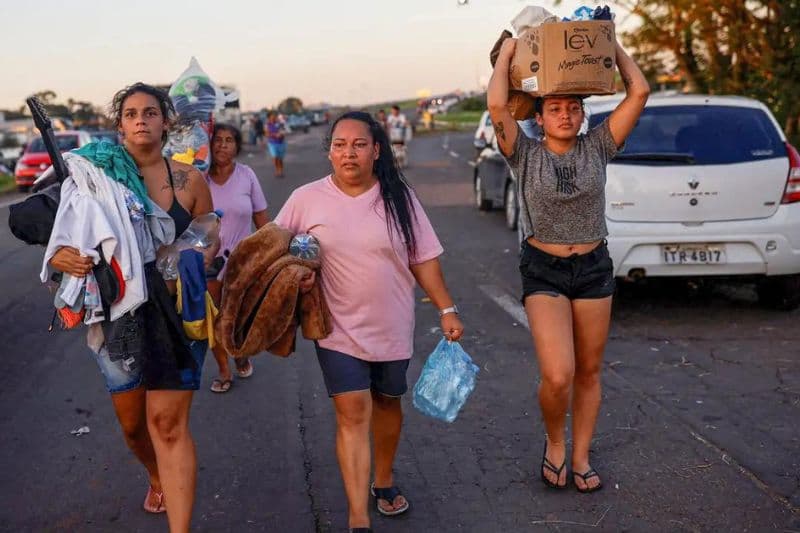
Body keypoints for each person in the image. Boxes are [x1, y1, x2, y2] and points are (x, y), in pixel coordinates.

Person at [274, 111, 463, 533]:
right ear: (330, 152)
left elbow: (424, 259)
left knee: (387, 401)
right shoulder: (307, 199)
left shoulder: (400, 198)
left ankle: (384, 479)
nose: (349, 153)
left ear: (377, 150)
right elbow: (273, 249)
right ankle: (358, 516)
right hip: (336, 328)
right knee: (353, 412)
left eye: (359, 144)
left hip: (393, 325)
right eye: (340, 144)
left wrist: (446, 308)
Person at [48, 82, 214, 531]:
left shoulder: (190, 179)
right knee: (135, 428)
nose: (141, 119)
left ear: (166, 121)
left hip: (178, 313)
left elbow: (208, 230)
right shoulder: (93, 178)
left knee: (167, 423)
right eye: (131, 113)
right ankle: (155, 472)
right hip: (120, 314)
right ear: (120, 125)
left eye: (151, 112)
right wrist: (61, 254)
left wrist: (199, 260)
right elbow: (55, 228)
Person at [487, 38, 649, 493]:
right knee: (559, 373)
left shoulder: (598, 146)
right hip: (544, 269)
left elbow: (639, 92)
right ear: (538, 118)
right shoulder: (524, 153)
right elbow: (498, 102)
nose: (564, 115)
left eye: (572, 108)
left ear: (583, 115)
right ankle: (555, 442)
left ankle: (580, 457)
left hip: (594, 267)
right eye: (554, 108)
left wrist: (609, 47)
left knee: (590, 371)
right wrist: (506, 57)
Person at [206, 123, 269, 393]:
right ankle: (223, 370)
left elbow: (262, 220)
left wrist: (269, 255)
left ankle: (240, 351)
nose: (222, 145)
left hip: (241, 260)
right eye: (217, 140)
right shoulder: (198, 177)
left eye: (229, 140)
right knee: (214, 317)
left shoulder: (246, 175)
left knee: (239, 316)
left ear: (237, 146)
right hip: (207, 260)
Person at [265, 111, 287, 177]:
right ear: (269, 117)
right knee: (275, 157)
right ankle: (277, 170)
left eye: (275, 115)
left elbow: (284, 131)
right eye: (272, 116)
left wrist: (282, 134)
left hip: (281, 143)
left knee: (280, 159)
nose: (274, 117)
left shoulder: (279, 123)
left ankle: (281, 171)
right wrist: (275, 135)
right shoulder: (267, 125)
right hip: (272, 143)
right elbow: (266, 134)